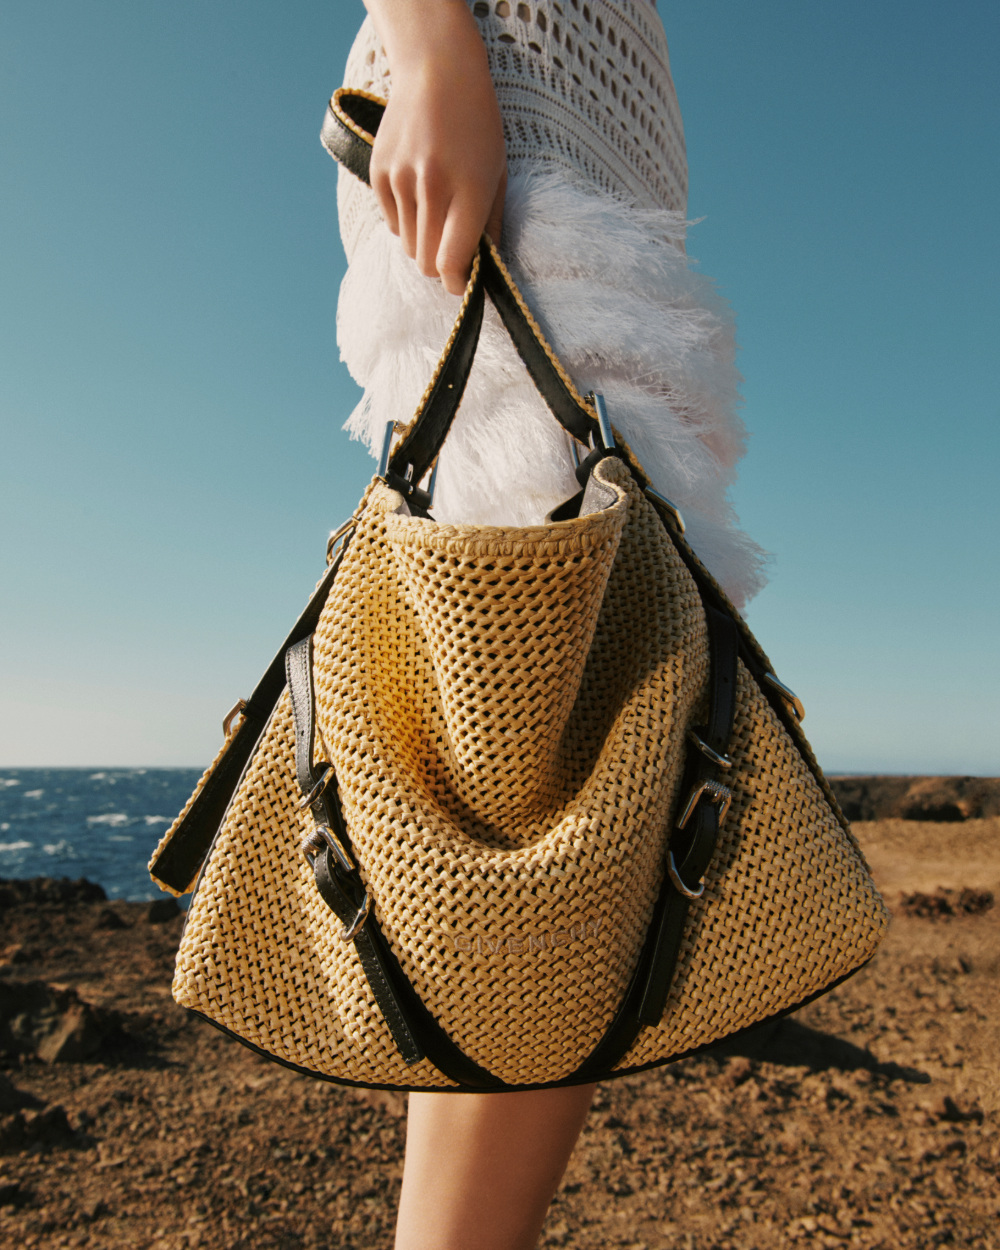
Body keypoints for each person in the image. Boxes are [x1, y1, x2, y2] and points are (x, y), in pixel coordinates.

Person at [325, 3, 767, 1247]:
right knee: (540, 785)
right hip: (500, 91)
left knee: (587, 757)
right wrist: (433, 51)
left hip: (605, 146)